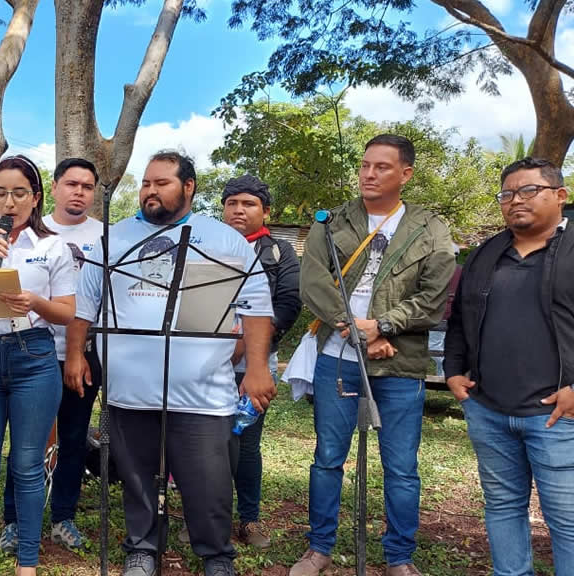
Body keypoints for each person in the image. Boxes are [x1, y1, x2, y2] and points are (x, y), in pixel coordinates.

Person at [72, 151, 277, 576]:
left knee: (208, 481)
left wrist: (256, 369)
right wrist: (75, 354)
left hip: (202, 390)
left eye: (161, 183)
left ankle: (216, 555)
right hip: (131, 388)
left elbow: (257, 308)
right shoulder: (114, 239)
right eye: (146, 183)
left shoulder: (225, 240)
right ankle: (143, 549)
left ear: (189, 187)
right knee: (137, 475)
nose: (150, 190)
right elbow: (85, 307)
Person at [292, 134, 456, 576]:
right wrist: (357, 330)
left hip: (400, 365)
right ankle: (319, 548)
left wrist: (383, 327)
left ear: (405, 174)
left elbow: (433, 296)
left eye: (381, 167)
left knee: (401, 467)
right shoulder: (333, 221)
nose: (368, 173)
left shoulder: (430, 228)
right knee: (328, 458)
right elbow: (313, 282)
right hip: (337, 358)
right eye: (365, 165)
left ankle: (399, 557)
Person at [444, 157, 573, 576]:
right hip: (490, 410)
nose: (516, 200)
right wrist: (453, 370)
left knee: (567, 521)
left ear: (560, 196)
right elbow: (460, 319)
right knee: (502, 506)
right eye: (507, 194)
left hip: (557, 416)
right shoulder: (485, 254)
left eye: (529, 191)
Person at [0, 155, 77, 576]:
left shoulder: (52, 246)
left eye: (19, 192)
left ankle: (28, 563)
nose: (9, 201)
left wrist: (34, 302)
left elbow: (66, 313)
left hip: (34, 358)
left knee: (26, 466)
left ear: (36, 198)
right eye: (1, 192)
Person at [0, 157, 104, 554]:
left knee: (74, 438)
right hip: (29, 351)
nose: (79, 192)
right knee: (28, 441)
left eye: (87, 186)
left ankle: (63, 516)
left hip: (81, 353)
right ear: (54, 189)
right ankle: (15, 520)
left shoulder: (105, 235)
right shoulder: (31, 231)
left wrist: (79, 353)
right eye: (71, 183)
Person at [220, 174, 301, 549]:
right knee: (204, 444)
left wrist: (250, 347)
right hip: (204, 364)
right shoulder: (209, 246)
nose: (239, 210)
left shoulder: (279, 252)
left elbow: (288, 304)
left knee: (246, 443)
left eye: (248, 204)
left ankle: (248, 519)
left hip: (253, 366)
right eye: (232, 202)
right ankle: (205, 516)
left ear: (265, 211)